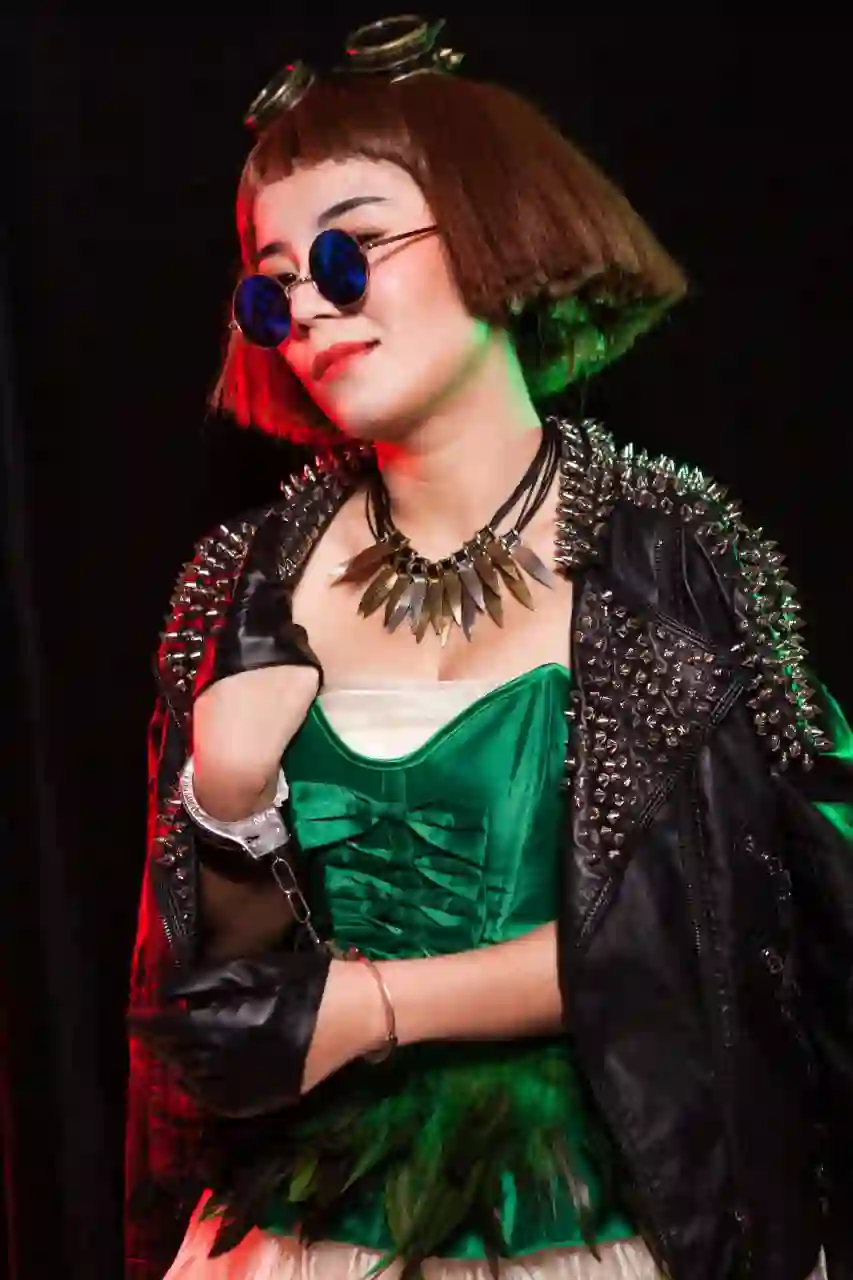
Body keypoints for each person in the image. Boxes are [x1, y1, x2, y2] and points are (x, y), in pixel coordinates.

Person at [126, 14, 853, 1280]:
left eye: (346, 251)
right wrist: (230, 800)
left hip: (610, 1216)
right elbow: (219, 1011)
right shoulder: (244, 583)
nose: (308, 305)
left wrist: (381, 1003)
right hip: (305, 1233)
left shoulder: (673, 563)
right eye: (270, 283)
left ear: (492, 223)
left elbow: (739, 931)